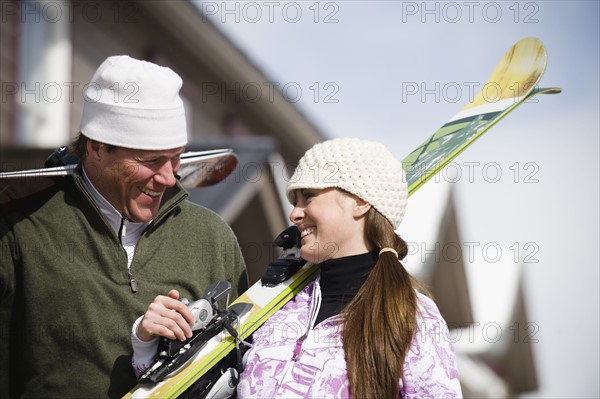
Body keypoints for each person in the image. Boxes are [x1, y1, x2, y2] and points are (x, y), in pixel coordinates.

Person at [0, 55, 248, 398]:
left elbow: (246, 366)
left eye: (175, 157)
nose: (167, 177)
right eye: (150, 161)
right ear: (97, 148)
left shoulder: (212, 237)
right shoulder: (22, 231)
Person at [236, 138, 462, 398]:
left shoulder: (412, 315)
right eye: (295, 201)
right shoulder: (279, 305)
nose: (294, 214)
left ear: (360, 202)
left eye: (308, 196)